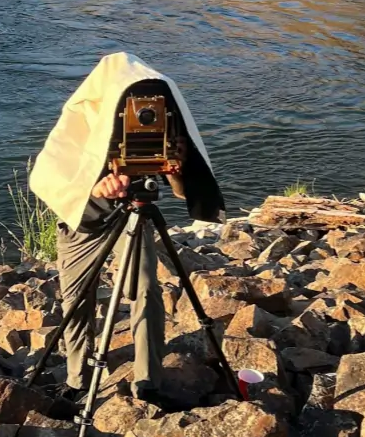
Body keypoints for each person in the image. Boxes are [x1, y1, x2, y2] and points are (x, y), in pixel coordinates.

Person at [30, 52, 224, 403]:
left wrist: (178, 168)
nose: (143, 109)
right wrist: (92, 188)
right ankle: (77, 379)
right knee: (76, 299)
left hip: (132, 214)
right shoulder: (84, 121)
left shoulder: (162, 122)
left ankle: (148, 382)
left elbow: (181, 194)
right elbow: (46, 178)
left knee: (147, 289)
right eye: (134, 99)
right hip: (83, 224)